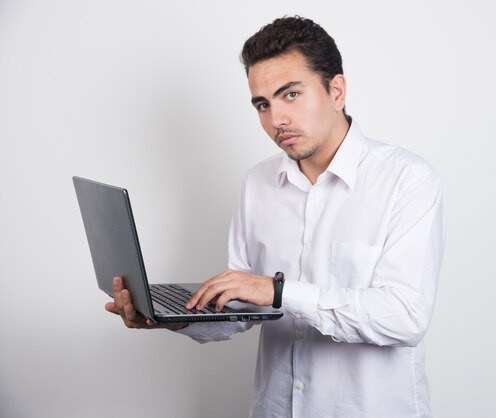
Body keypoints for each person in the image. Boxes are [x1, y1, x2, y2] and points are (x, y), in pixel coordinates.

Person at [105, 16, 445, 418]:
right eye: (263, 104)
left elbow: (405, 317)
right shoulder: (257, 183)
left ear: (336, 91)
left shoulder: (407, 179)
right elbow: (240, 310)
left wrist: (281, 292)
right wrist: (168, 318)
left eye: (291, 95)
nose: (275, 120)